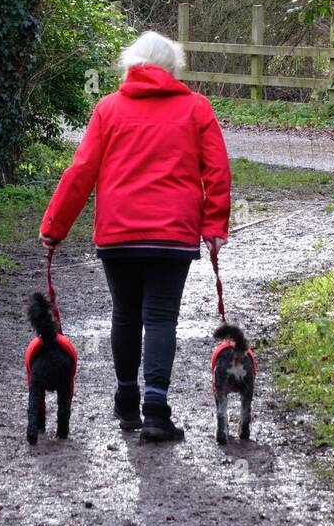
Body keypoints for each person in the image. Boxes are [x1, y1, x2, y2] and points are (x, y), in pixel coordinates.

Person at [39, 30, 231, 442]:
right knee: (160, 317)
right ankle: (156, 411)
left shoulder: (108, 110)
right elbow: (216, 171)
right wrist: (214, 226)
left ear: (130, 67)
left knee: (125, 314)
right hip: (172, 236)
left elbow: (81, 172)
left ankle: (127, 401)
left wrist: (55, 227)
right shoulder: (197, 109)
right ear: (171, 68)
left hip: (118, 234)